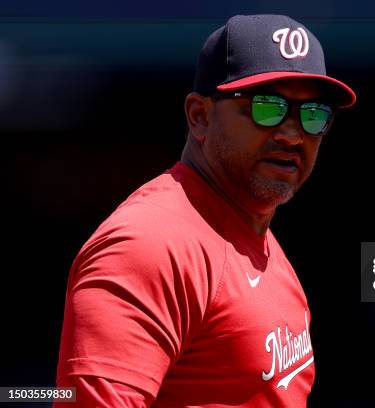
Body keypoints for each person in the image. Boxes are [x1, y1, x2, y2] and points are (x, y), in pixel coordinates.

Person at [54, 14, 356, 408]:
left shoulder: (255, 236)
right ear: (199, 116)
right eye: (268, 107)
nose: (293, 133)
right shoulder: (149, 246)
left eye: (313, 114)